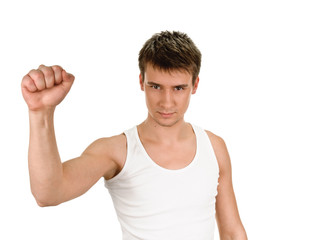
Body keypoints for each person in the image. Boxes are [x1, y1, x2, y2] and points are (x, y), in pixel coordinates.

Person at [21, 31, 247, 240]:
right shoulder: (117, 151)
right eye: (156, 86)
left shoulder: (214, 147)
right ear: (142, 82)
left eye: (178, 88)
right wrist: (41, 113)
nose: (166, 102)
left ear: (194, 85)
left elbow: (232, 232)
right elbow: (48, 193)